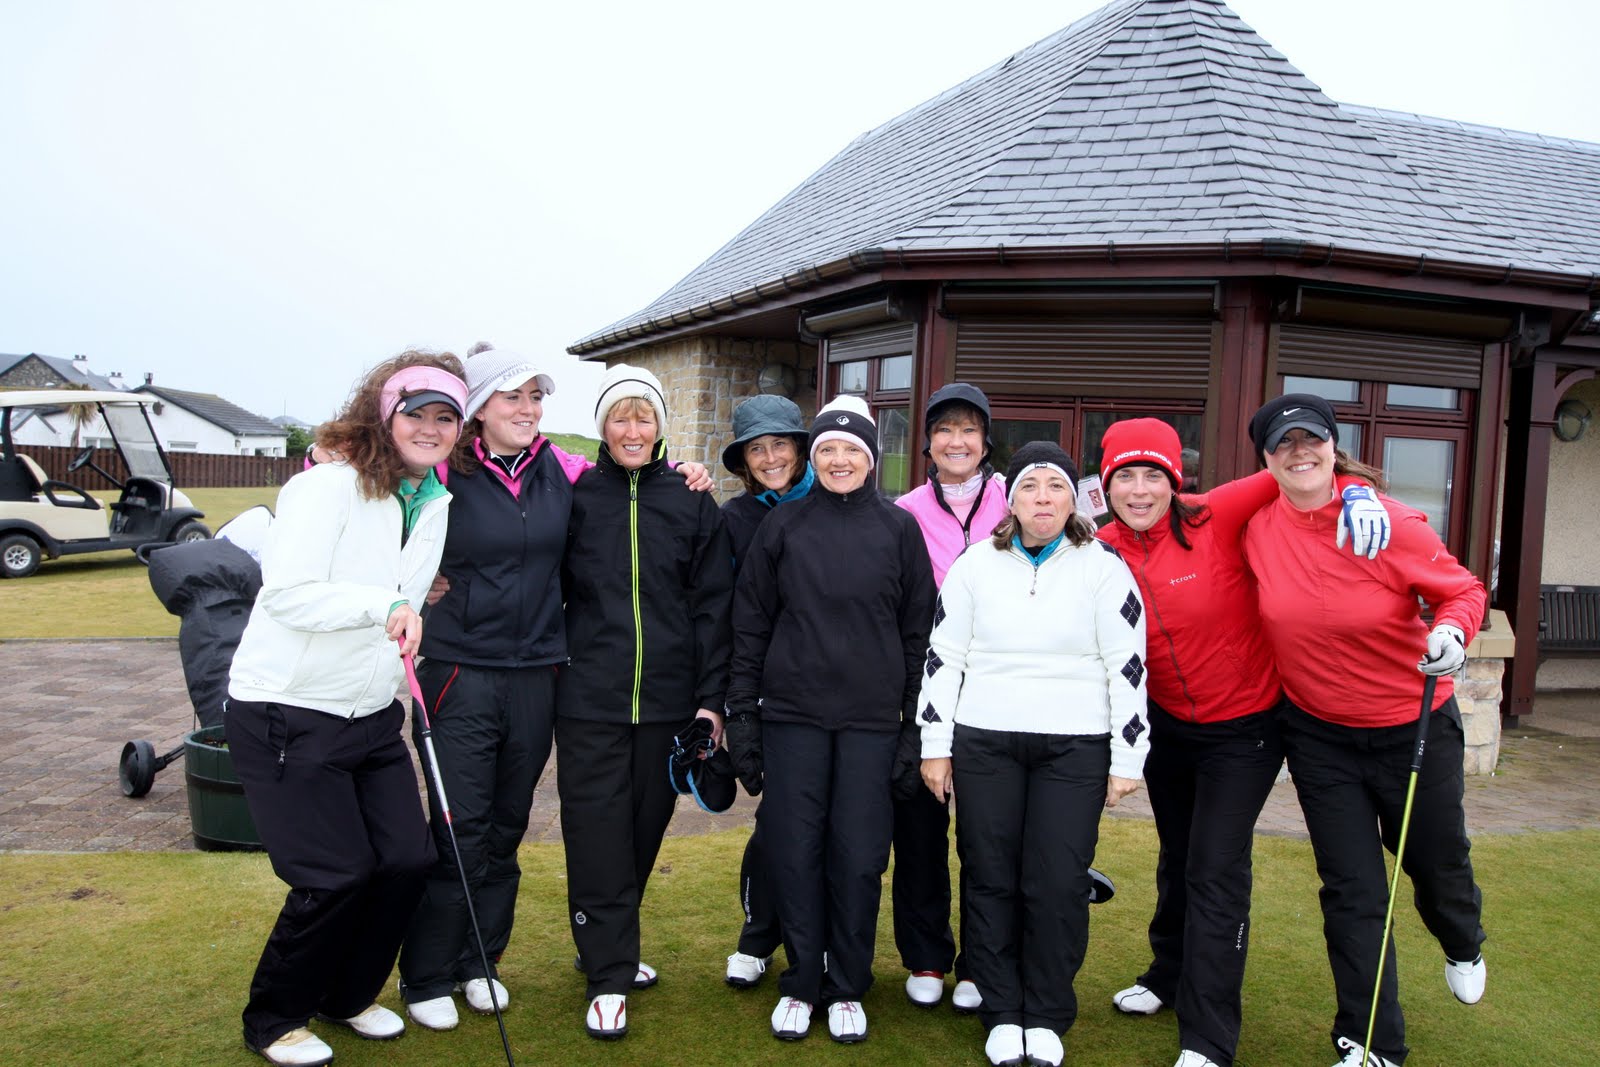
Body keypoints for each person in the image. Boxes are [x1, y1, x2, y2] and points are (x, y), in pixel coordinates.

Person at [1096, 417, 1391, 1067]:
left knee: (1214, 870)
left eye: (1154, 475)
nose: (1140, 490)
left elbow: (1303, 466)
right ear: (1106, 484)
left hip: (1247, 729)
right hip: (1168, 726)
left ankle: (1207, 1039)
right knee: (1178, 854)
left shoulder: (1216, 511)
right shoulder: (1100, 547)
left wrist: (1358, 491)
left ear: (1177, 480)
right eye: (1125, 477)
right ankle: (1166, 975)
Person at [224, 351, 467, 1066]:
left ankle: (348, 994)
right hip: (286, 709)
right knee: (333, 873)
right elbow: (288, 592)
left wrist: (404, 603)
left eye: (444, 415)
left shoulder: (433, 501)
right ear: (383, 413)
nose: (429, 426)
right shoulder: (328, 487)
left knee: (404, 857)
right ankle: (274, 1017)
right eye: (415, 411)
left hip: (369, 712)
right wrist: (385, 603)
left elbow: (400, 587)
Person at [1240, 394, 1488, 1067]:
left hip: (1413, 724)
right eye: (1283, 444)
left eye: (1311, 440)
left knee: (1435, 862)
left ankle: (1462, 937)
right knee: (1352, 887)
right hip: (1319, 736)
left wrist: (1450, 631)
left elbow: (1463, 589)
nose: (1300, 453)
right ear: (1266, 459)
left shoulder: (1391, 521)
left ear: (1332, 446)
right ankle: (1373, 1039)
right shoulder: (1258, 527)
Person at [917, 441, 1149, 1067]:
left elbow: (1126, 665)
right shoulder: (974, 565)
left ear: (1074, 499)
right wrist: (935, 746)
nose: (1042, 498)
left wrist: (1129, 755)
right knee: (989, 873)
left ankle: (1044, 1012)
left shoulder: (1103, 565)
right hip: (985, 739)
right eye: (1029, 487)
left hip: (1074, 746)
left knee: (1056, 880)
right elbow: (944, 660)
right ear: (1010, 499)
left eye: (1055, 487)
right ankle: (1001, 1007)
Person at [725, 395, 936, 1044]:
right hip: (793, 719)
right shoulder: (783, 527)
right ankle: (802, 980)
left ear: (870, 459)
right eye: (827, 449)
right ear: (814, 456)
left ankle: (847, 983)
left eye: (852, 449)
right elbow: (751, 627)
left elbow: (918, 635)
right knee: (794, 850)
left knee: (859, 855)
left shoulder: (899, 529)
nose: (839, 458)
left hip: (872, 725)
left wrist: (912, 732)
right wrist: (745, 723)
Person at [395, 346, 581, 1031]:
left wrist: (682, 472)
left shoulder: (561, 467)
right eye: (513, 396)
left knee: (506, 826)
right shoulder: (441, 469)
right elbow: (365, 497)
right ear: (478, 407)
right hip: (457, 672)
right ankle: (426, 974)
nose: (528, 409)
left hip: (537, 673)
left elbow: (629, 481)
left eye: (536, 396)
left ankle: (480, 960)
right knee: (459, 826)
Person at [557, 364, 734, 1040]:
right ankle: (609, 973)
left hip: (666, 703)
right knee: (594, 833)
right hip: (587, 700)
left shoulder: (692, 502)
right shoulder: (576, 496)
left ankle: (603, 939)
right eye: (620, 417)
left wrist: (710, 701)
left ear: (661, 425)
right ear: (603, 425)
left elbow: (713, 607)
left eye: (644, 416)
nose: (632, 429)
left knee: (637, 833)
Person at [889, 382, 1010, 1011]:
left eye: (968, 429)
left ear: (986, 440)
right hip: (923, 692)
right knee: (919, 828)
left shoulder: (1019, 500)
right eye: (943, 430)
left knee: (989, 837)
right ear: (928, 443)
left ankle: (983, 961)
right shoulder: (904, 510)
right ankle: (928, 956)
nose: (956, 441)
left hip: (1000, 694)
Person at [717, 394, 814, 990]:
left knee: (820, 827)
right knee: (775, 820)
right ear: (744, 461)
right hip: (763, 690)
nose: (771, 457)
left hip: (825, 692)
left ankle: (814, 940)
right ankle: (758, 936)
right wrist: (732, 700)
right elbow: (728, 613)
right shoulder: (736, 519)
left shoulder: (832, 506)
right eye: (758, 449)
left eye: (781, 444)